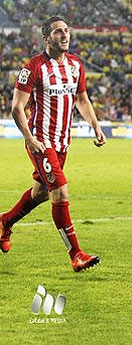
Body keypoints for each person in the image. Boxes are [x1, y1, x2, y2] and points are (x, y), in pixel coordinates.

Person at [0, 16, 105, 272]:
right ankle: (76, 254)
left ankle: (4, 222)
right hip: (40, 140)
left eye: (67, 30)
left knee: (41, 193)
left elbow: (82, 99)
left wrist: (95, 125)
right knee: (60, 191)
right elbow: (17, 108)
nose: (65, 35)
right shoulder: (33, 67)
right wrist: (29, 137)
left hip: (62, 143)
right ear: (47, 38)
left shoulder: (75, 65)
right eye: (58, 32)